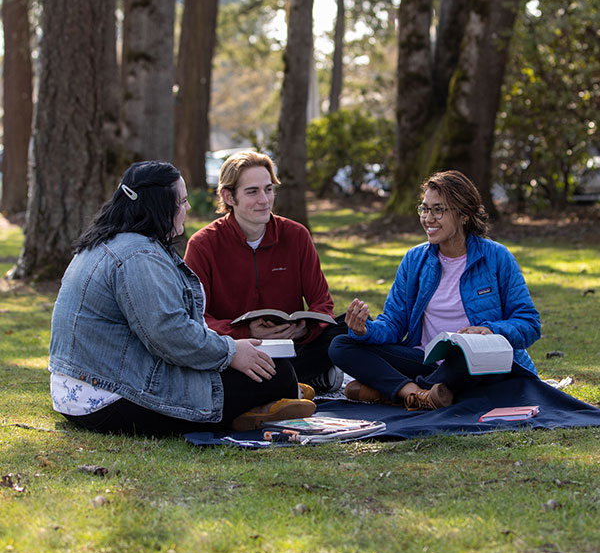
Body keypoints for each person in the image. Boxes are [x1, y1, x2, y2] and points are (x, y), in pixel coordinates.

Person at [48, 161, 316, 437]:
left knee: (264, 368)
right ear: (160, 207)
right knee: (277, 373)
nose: (187, 209)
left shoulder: (109, 242)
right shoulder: (138, 255)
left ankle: (270, 401)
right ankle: (272, 400)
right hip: (110, 399)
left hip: (80, 391)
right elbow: (168, 334)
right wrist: (231, 352)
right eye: (182, 201)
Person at [328, 170, 541, 410]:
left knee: (462, 357)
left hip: (478, 364)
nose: (428, 218)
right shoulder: (415, 259)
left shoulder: (497, 257)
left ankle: (394, 392)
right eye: (424, 209)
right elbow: (394, 324)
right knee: (341, 345)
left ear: (463, 215)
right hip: (427, 360)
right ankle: (419, 393)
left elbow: (530, 325)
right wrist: (365, 330)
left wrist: (489, 330)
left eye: (438, 210)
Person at [184, 150, 346, 393]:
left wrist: (304, 327)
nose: (264, 200)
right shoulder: (202, 245)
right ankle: (301, 379)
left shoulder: (296, 235)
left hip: (293, 345)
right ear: (229, 196)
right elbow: (196, 318)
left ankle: (286, 381)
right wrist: (245, 331)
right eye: (252, 191)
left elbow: (322, 303)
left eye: (268, 189)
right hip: (237, 351)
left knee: (347, 330)